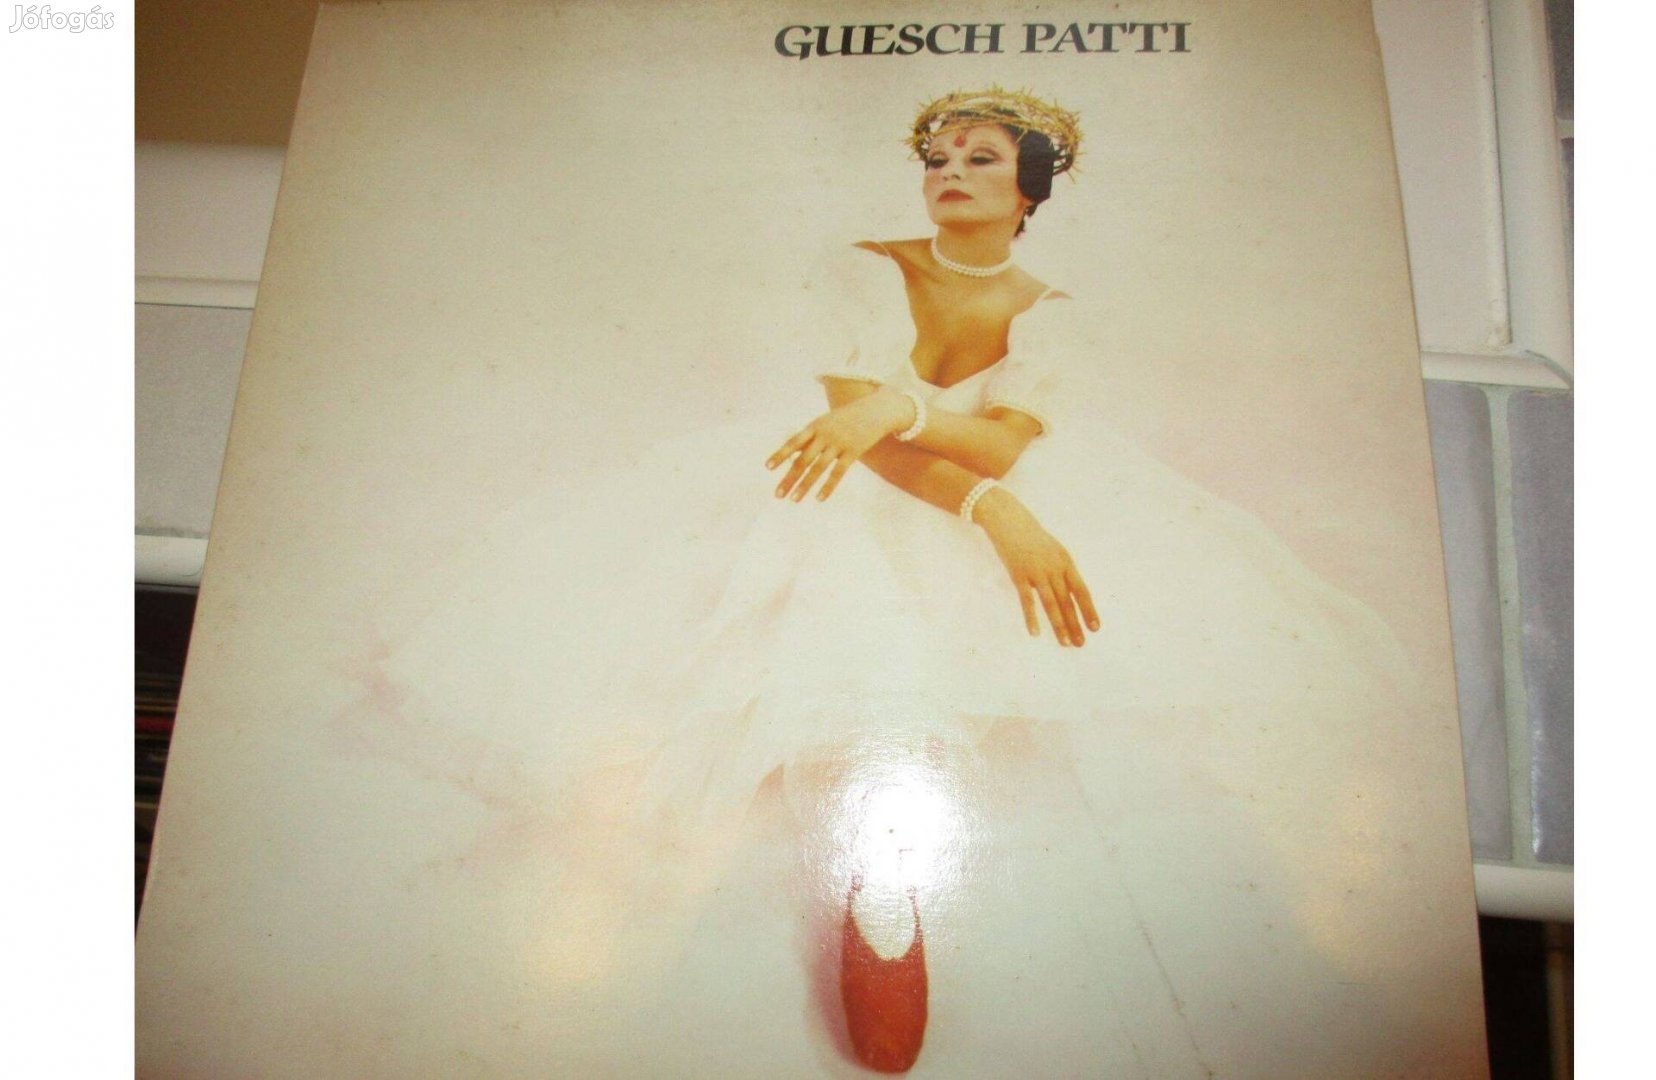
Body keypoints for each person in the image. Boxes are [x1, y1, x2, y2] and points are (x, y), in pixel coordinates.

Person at [369, 87, 1426, 1078]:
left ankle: (899, 848)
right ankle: (878, 879)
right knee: (850, 594)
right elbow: (862, 441)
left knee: (1033, 612)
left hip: (953, 474)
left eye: (981, 159)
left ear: (1030, 191)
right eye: (938, 158)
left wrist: (910, 414)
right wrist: (987, 504)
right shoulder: (863, 268)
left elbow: (998, 442)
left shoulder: (1054, 310)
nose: (950, 172)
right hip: (850, 486)